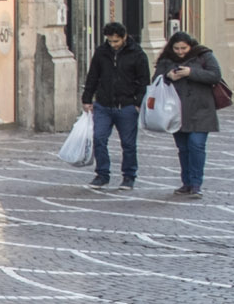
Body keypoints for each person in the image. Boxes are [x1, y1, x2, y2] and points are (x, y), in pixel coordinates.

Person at [79, 22, 148, 190]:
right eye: (110, 41)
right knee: (99, 138)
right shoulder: (102, 52)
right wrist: (87, 98)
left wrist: (138, 103)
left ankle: (129, 176)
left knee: (128, 144)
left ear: (124, 37)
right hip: (103, 104)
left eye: (116, 41)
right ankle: (102, 174)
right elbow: (93, 76)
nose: (113, 44)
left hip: (126, 105)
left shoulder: (137, 54)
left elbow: (144, 81)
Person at [156, 32, 222, 198]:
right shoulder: (166, 59)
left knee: (196, 145)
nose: (180, 52)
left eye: (183, 48)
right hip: (177, 112)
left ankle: (196, 184)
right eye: (176, 48)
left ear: (190, 46)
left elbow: (215, 75)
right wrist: (168, 76)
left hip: (201, 109)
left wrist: (190, 72)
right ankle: (186, 183)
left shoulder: (204, 55)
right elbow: (155, 80)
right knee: (183, 148)